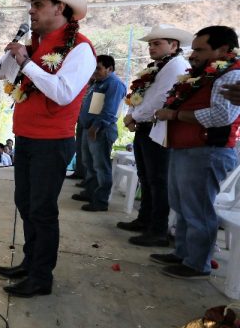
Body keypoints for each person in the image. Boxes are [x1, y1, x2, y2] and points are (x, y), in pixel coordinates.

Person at [0, 0, 95, 297]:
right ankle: (31, 263)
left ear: (60, 8)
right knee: (25, 202)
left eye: (38, 5)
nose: (31, 11)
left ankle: (42, 276)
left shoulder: (80, 49)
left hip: (52, 141)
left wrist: (26, 62)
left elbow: (62, 92)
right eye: (31, 6)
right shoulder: (32, 46)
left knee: (42, 209)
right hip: (26, 137)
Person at [151, 26, 240, 279]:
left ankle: (197, 263)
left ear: (223, 50)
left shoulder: (231, 75)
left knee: (198, 208)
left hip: (207, 150)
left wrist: (176, 115)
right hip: (186, 148)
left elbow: (222, 116)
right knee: (181, 204)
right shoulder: (205, 75)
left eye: (201, 50)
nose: (194, 54)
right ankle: (183, 252)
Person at [118, 24, 192, 246]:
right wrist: (133, 114)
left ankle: (158, 229)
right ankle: (145, 219)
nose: (151, 47)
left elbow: (161, 98)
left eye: (157, 43)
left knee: (158, 179)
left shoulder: (176, 65)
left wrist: (135, 116)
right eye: (150, 44)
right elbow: (142, 94)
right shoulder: (159, 66)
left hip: (158, 127)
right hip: (146, 125)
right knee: (146, 176)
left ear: (173, 45)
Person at [72, 55, 126, 212]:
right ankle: (90, 192)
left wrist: (96, 127)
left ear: (110, 69)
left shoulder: (114, 84)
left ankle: (101, 200)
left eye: (98, 68)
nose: (95, 72)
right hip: (89, 128)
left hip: (100, 130)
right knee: (89, 162)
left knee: (101, 166)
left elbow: (110, 111)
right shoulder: (97, 82)